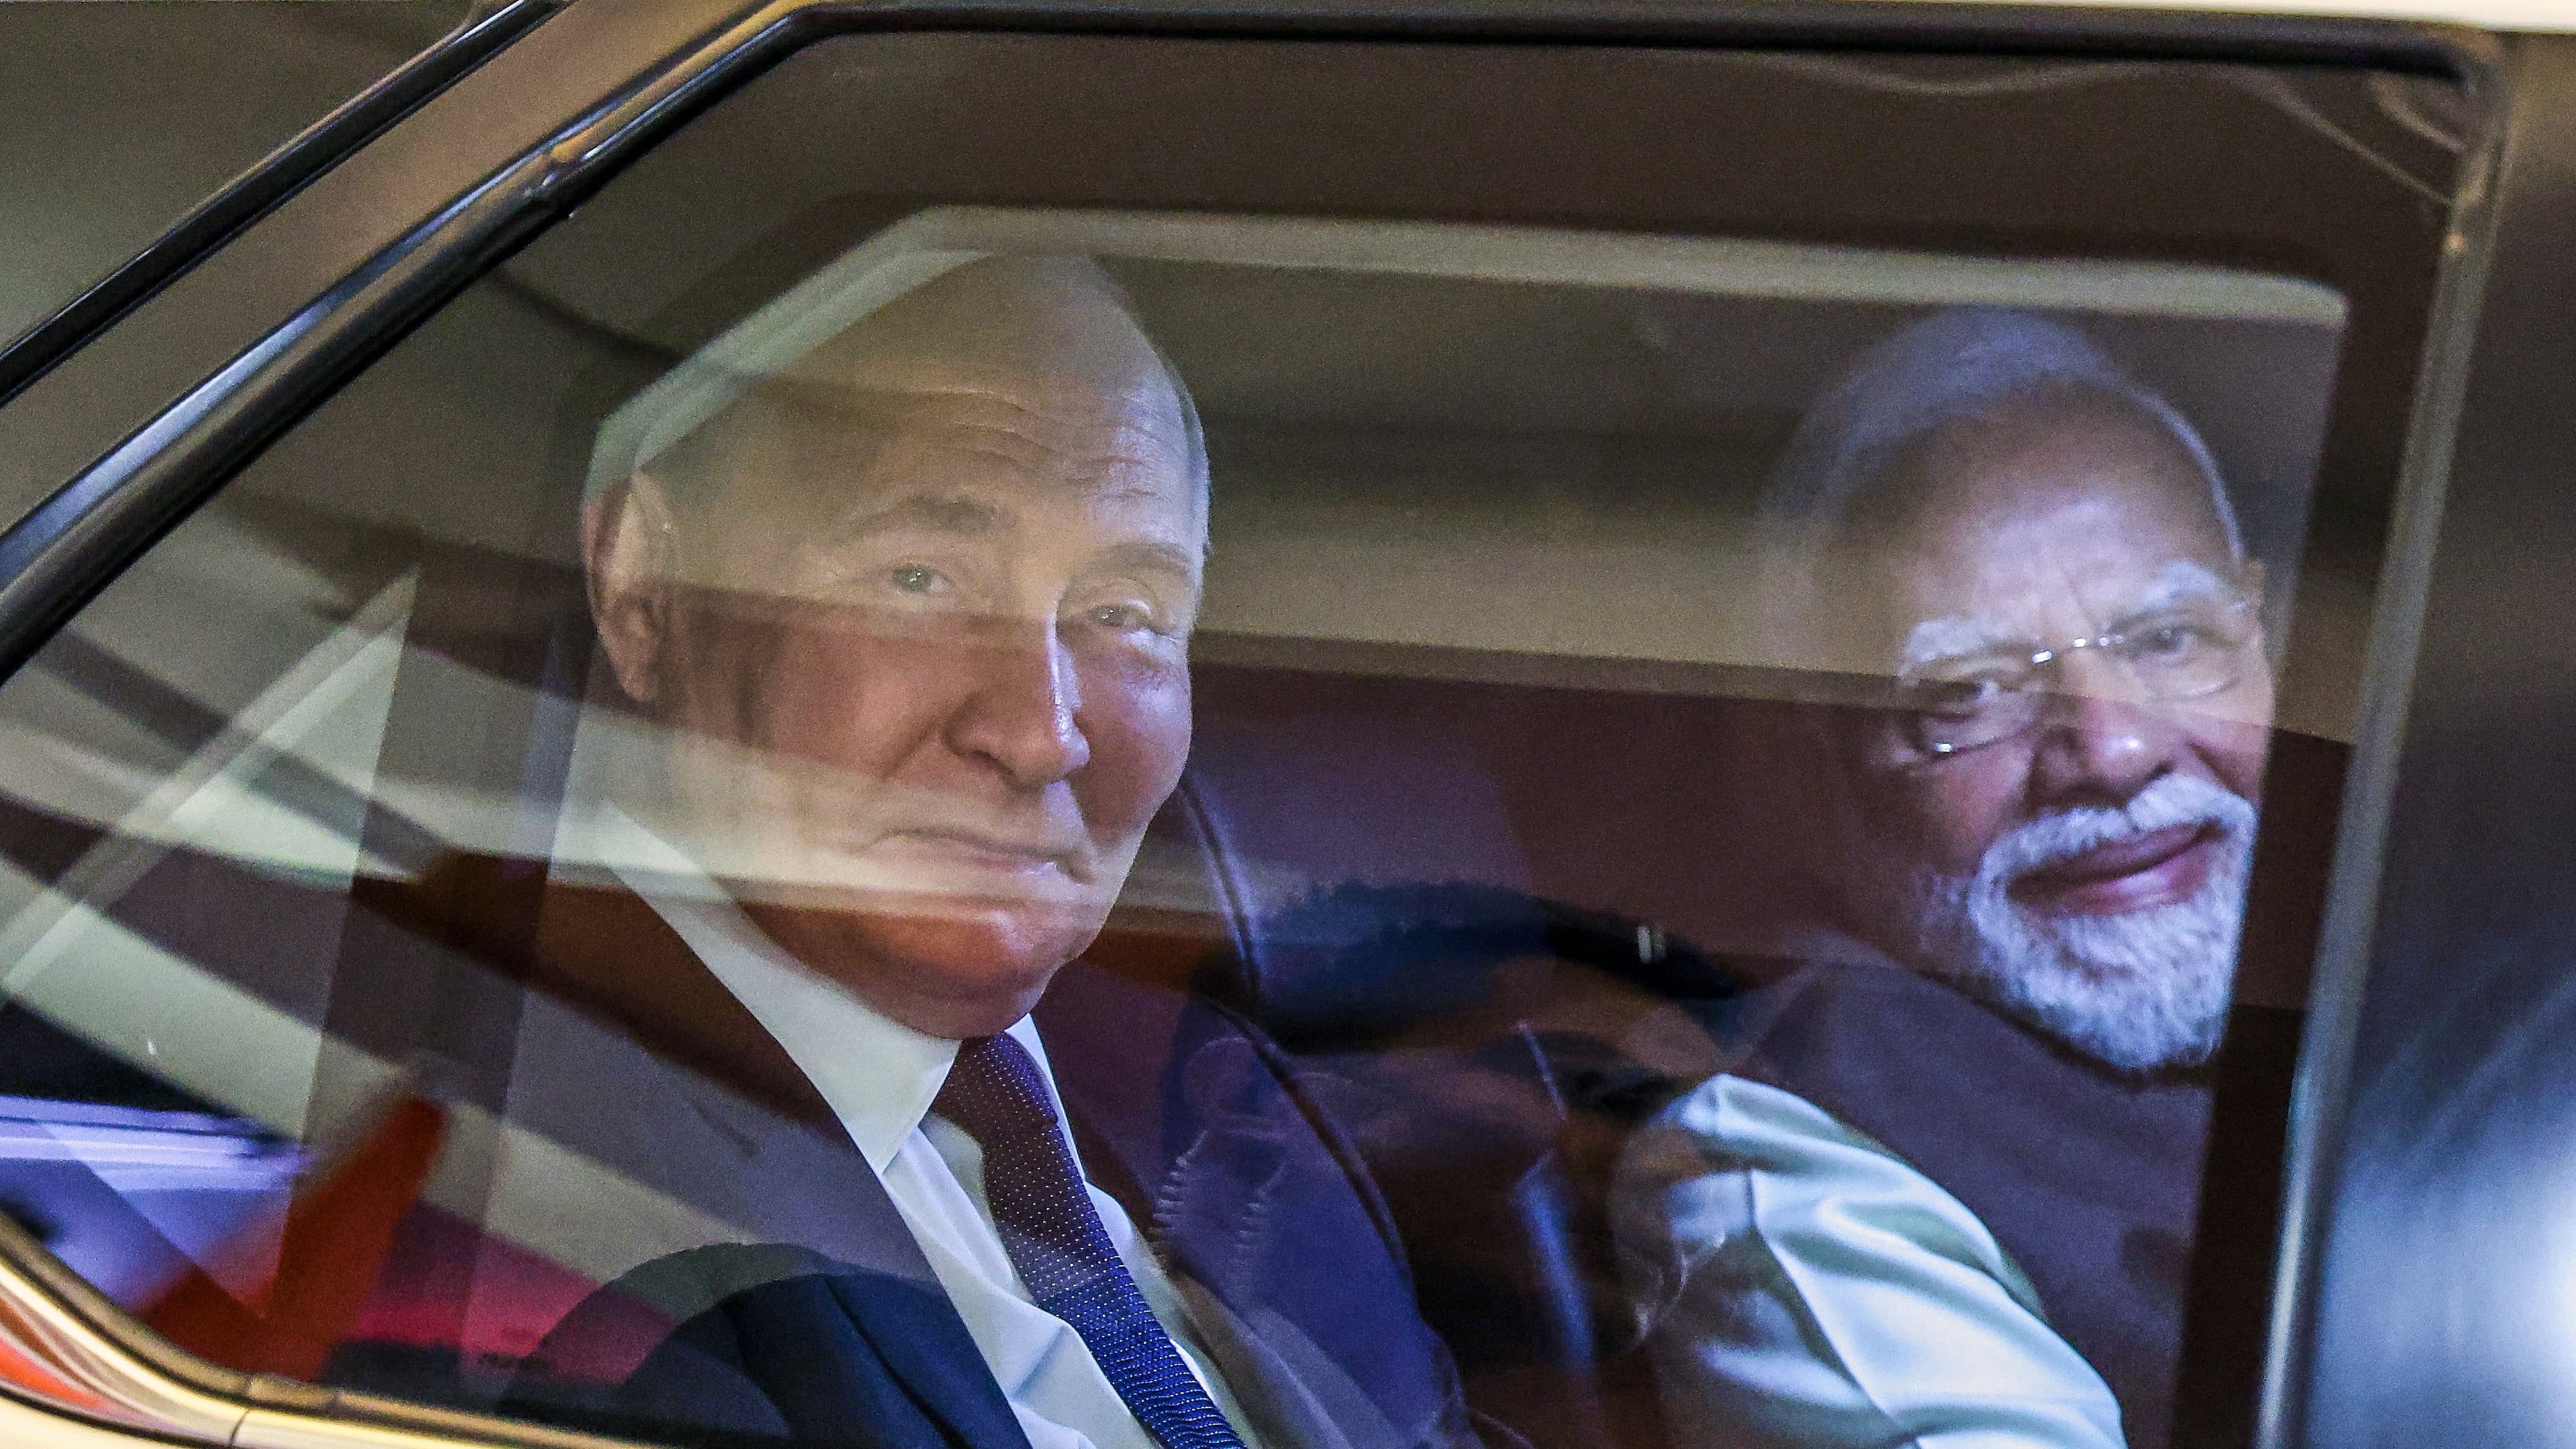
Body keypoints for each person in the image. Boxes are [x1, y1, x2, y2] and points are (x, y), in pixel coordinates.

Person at [409, 252, 1479, 1449]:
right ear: (643, 590)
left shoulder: (1206, 1086)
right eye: (918, 578)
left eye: (1123, 613)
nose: (1041, 730)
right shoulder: (542, 1241)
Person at [1615, 309, 2274, 1449]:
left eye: (2168, 638)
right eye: (1967, 692)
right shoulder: (1787, 1171)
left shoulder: (2415, 956)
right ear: (1799, 775)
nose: (2113, 752)